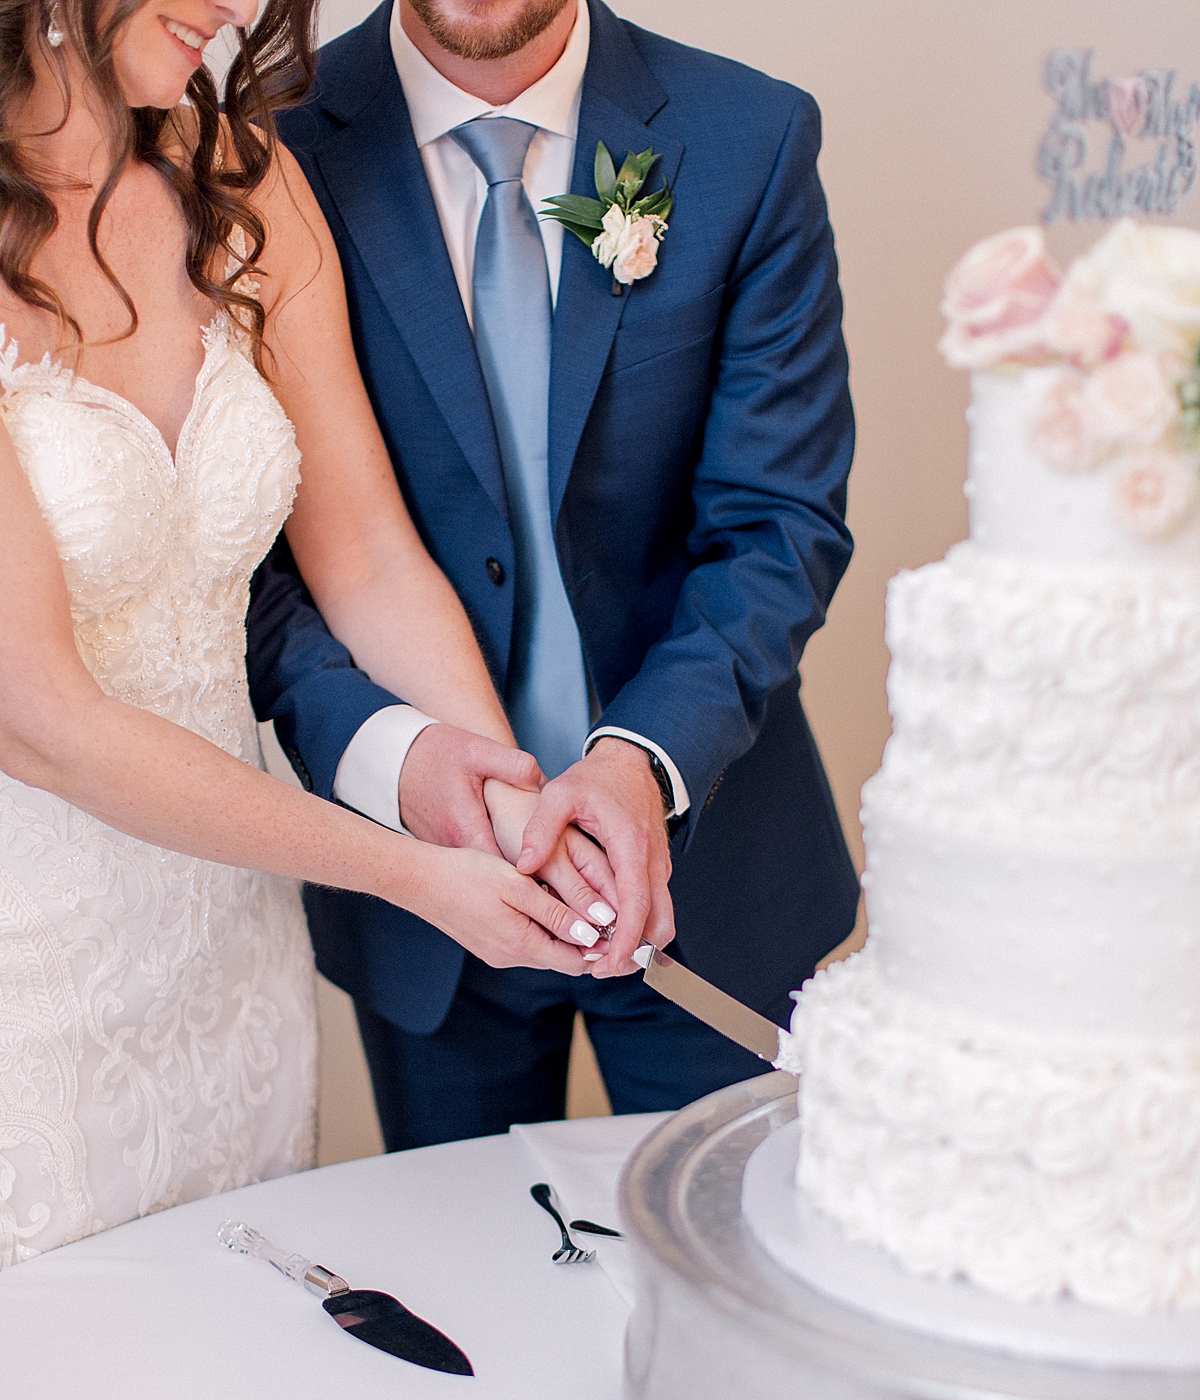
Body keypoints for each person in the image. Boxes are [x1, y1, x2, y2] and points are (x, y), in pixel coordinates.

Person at [0, 0, 622, 1264]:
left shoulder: (242, 181)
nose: (237, 6)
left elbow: (370, 559)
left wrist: (501, 798)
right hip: (29, 972)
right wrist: (410, 871)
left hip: (229, 950)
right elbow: (42, 721)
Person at [249, 0, 860, 1150]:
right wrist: (398, 758)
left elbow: (779, 526)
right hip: (419, 889)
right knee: (467, 1299)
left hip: (708, 869)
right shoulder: (260, 150)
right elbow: (244, 558)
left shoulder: (751, 137)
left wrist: (641, 763)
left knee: (716, 1293)